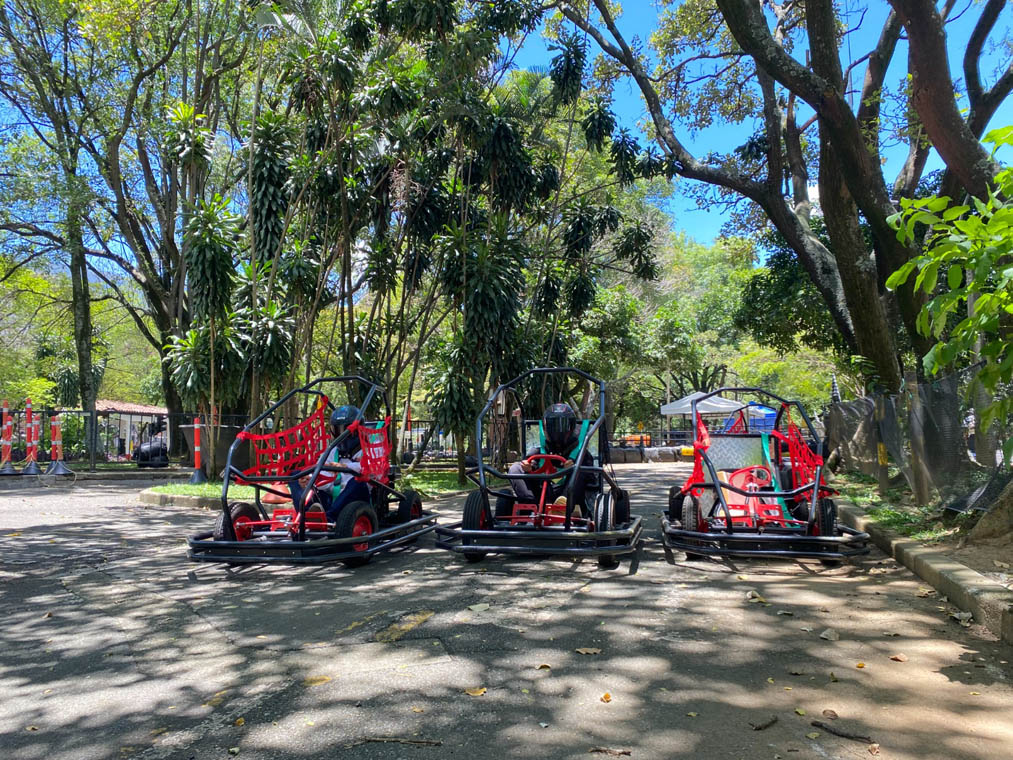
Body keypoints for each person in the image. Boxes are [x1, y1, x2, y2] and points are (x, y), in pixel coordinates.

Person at [507, 403, 594, 515]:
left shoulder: (581, 453)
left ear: (571, 426)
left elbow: (592, 479)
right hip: (540, 497)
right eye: (553, 425)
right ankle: (530, 509)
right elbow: (530, 462)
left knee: (580, 469)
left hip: (570, 496)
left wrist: (573, 467)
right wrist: (528, 467)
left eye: (562, 425)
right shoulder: (538, 450)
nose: (557, 430)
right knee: (515, 468)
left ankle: (561, 508)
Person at [288, 405, 370, 522]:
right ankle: (306, 517)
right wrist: (309, 479)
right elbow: (320, 469)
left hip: (356, 498)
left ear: (357, 431)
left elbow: (373, 471)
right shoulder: (333, 450)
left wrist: (345, 467)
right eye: (337, 430)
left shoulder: (371, 447)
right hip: (330, 498)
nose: (340, 435)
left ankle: (328, 519)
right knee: (296, 476)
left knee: (357, 482)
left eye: (345, 431)